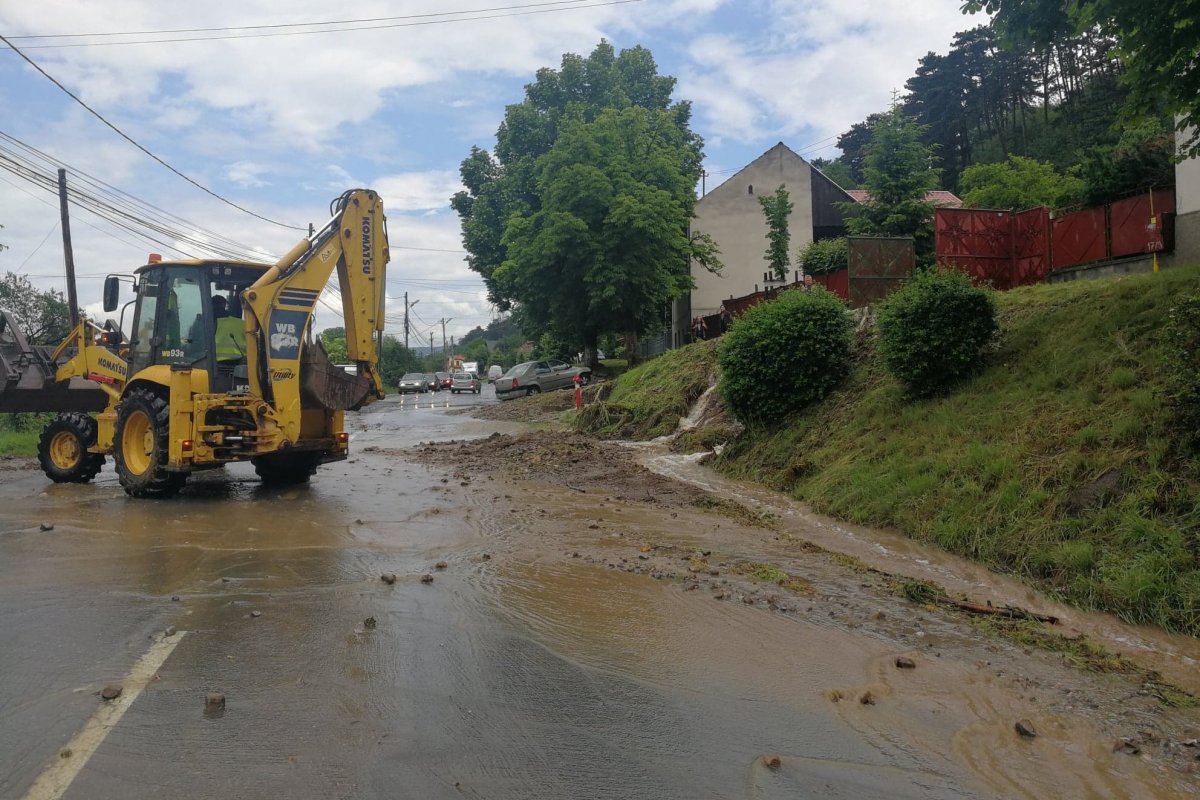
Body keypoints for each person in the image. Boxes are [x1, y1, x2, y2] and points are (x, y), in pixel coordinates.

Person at [215, 294, 244, 362]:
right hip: (239, 363)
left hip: (210, 363)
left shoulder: (202, 324)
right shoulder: (241, 324)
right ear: (224, 305)